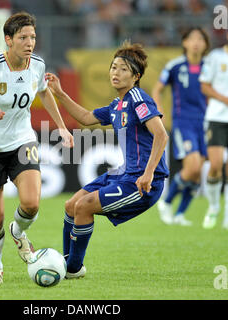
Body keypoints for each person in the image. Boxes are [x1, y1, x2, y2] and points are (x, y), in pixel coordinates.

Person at [0, 12, 74, 283]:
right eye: (23, 37)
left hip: (22, 141)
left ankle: (19, 232)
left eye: (32, 37)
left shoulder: (38, 64)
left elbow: (43, 91)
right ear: (8, 40)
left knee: (31, 204)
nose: (29, 42)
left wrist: (62, 127)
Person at [46, 41, 169, 278]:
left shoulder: (138, 99)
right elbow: (85, 117)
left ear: (136, 76)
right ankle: (68, 262)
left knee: (84, 207)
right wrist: (60, 93)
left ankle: (71, 269)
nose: (116, 73)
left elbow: (161, 135)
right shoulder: (117, 104)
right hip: (124, 173)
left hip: (143, 181)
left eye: (123, 69)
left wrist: (149, 173)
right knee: (71, 205)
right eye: (113, 67)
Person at [152, 27, 210, 226]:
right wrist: (158, 109)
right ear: (184, 43)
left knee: (196, 171)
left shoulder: (209, 66)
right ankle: (166, 203)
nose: (196, 42)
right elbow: (157, 89)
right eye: (192, 38)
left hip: (205, 122)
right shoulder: (175, 65)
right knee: (193, 166)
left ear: (205, 44)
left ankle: (179, 214)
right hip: (183, 122)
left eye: (200, 39)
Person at [199, 31, 228, 229]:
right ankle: (213, 206)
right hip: (217, 117)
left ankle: (227, 215)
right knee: (216, 165)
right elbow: (205, 87)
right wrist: (225, 99)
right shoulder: (216, 57)